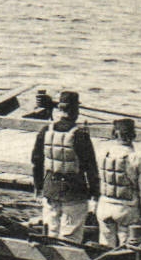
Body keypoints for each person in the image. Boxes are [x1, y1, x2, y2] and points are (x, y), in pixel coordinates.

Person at [29, 90, 99, 243]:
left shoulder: (45, 131)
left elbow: (36, 161)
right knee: (70, 236)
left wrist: (38, 186)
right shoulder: (80, 135)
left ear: (59, 109)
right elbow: (90, 167)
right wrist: (95, 193)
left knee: (50, 233)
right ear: (76, 111)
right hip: (74, 191)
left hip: (50, 189)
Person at [95, 117, 141, 248]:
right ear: (134, 135)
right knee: (126, 248)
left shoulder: (102, 154)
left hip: (104, 206)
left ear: (113, 134)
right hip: (127, 209)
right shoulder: (138, 159)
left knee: (105, 245)